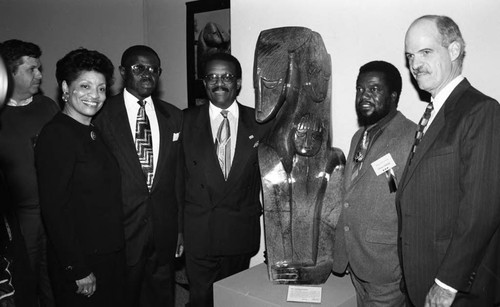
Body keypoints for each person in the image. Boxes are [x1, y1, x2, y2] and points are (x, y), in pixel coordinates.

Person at [398, 15, 500, 306]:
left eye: (426, 52)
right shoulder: (432, 113)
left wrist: (446, 284)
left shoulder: (481, 111)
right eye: (410, 56)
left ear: (453, 51)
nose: (415, 65)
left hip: (454, 290)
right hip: (421, 279)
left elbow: (481, 210)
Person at [93, 45, 183, 307]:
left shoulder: (174, 115)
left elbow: (178, 176)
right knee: (121, 297)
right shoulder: (100, 115)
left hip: (163, 229)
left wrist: (179, 229)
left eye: (153, 69)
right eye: (138, 68)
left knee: (161, 296)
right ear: (122, 72)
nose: (147, 74)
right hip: (120, 229)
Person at [34, 48, 125, 306]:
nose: (94, 96)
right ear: (65, 87)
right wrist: (78, 268)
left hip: (108, 254)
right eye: (84, 86)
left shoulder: (92, 130)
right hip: (82, 263)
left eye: (101, 88)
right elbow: (54, 209)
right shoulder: (57, 135)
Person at [180, 52, 267, 307]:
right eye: (212, 77)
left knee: (233, 299)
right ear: (204, 83)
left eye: (227, 76)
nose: (220, 82)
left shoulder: (261, 123)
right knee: (201, 299)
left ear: (238, 83)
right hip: (199, 231)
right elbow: (176, 179)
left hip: (239, 230)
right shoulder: (184, 120)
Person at [332, 61, 415, 306]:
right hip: (357, 263)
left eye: (374, 89)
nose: (364, 95)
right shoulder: (360, 136)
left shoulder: (411, 137)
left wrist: (406, 268)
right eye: (360, 89)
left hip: (386, 270)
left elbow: (415, 210)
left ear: (393, 96)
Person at [0, 39, 58, 307]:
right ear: (8, 73)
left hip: (54, 212)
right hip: (18, 222)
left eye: (39, 68)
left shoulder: (48, 107)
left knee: (56, 281)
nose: (40, 75)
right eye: (31, 69)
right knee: (24, 284)